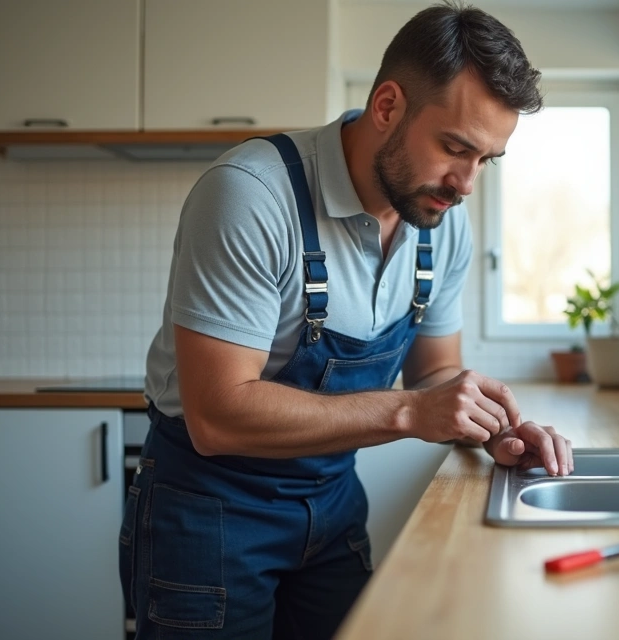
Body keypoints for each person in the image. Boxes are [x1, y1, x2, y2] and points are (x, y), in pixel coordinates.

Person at [120, 3, 575, 638]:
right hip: (208, 512)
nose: (467, 184)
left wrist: (487, 427)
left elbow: (434, 370)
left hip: (332, 505)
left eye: (486, 160)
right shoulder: (251, 195)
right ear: (388, 106)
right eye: (454, 148)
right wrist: (410, 414)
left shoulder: (438, 220)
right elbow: (216, 416)